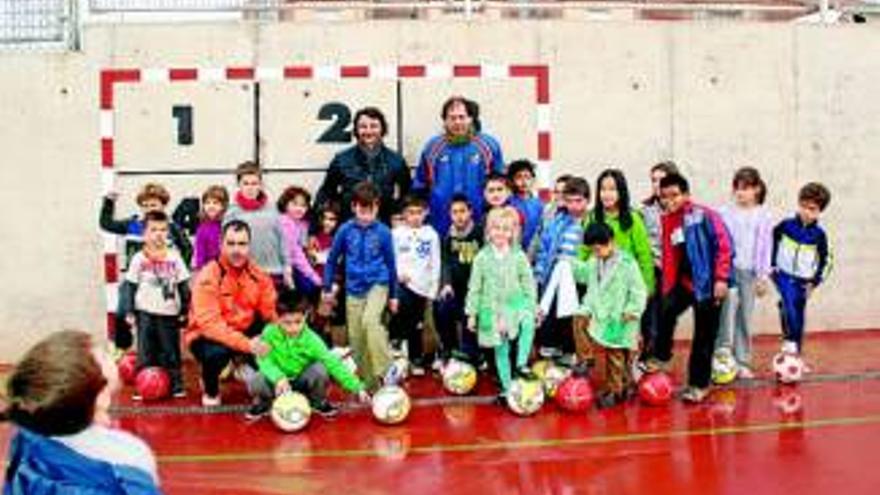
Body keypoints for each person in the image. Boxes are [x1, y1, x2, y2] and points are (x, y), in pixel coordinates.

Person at [2, 330, 160, 494]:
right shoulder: (130, 459)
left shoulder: (26, 438)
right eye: (105, 356)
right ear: (100, 398)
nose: (110, 356)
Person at [646, 173, 733, 403]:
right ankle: (662, 355)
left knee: (703, 338)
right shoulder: (668, 220)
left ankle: (699, 384)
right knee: (665, 310)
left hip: (709, 287)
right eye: (664, 197)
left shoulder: (705, 215)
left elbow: (725, 246)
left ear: (686, 194)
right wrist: (667, 287)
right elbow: (670, 257)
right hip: (684, 285)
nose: (670, 201)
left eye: (674, 195)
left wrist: (721, 279)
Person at [185, 220, 277, 407]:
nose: (237, 250)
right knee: (216, 354)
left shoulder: (260, 276)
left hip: (243, 331)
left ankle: (243, 365)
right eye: (231, 243)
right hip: (207, 336)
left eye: (242, 244)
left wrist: (279, 339)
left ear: (249, 246)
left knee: (275, 341)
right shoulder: (208, 276)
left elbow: (271, 315)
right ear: (221, 245)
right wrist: (248, 345)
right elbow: (211, 326)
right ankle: (210, 387)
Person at [322, 181, 399, 388]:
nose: (366, 215)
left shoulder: (384, 232)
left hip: (378, 284)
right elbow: (332, 260)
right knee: (356, 340)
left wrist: (394, 295)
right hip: (353, 289)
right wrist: (327, 288)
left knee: (370, 321)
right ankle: (371, 384)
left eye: (371, 209)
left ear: (377, 207)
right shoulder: (345, 231)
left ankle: (387, 368)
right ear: (354, 207)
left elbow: (391, 265)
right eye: (362, 209)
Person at [100, 182, 192, 354]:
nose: (149, 209)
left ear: (163, 206)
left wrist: (180, 270)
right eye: (146, 205)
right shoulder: (133, 225)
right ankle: (122, 348)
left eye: (154, 205)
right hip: (134, 281)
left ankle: (162, 358)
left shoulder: (170, 228)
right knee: (121, 313)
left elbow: (187, 248)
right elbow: (106, 224)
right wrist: (108, 202)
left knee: (159, 320)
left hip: (162, 283)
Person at [244, 295, 370, 421]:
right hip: (277, 384)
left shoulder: (312, 340)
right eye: (287, 323)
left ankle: (317, 401)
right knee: (256, 380)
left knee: (320, 369)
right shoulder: (269, 333)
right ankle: (264, 402)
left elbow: (333, 363)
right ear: (278, 319)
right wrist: (278, 377)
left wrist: (357, 387)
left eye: (298, 322)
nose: (293, 328)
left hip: (301, 380)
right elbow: (263, 360)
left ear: (306, 316)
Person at [466, 207, 538, 402]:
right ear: (489, 231)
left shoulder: (519, 256)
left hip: (516, 305)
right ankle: (507, 389)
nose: (501, 233)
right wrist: (472, 314)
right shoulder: (481, 257)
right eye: (496, 228)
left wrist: (532, 305)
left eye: (506, 229)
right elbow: (475, 287)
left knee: (528, 322)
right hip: (492, 309)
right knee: (501, 349)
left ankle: (522, 364)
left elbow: (528, 283)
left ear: (513, 232)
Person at [572, 223, 647, 408]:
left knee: (615, 355)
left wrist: (633, 309)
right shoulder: (594, 260)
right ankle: (586, 359)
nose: (596, 252)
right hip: (598, 311)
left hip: (619, 316)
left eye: (599, 248)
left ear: (611, 242)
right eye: (592, 249)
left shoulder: (627, 263)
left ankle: (616, 391)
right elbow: (583, 275)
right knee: (579, 319)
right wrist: (569, 264)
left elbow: (639, 289)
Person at [119, 211, 191, 399]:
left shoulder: (174, 257)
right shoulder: (138, 259)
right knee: (145, 351)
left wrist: (185, 309)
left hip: (168, 313)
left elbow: (183, 285)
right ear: (144, 234)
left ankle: (176, 384)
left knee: (171, 351)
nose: (158, 234)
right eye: (153, 230)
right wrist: (129, 310)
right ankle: (142, 385)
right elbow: (130, 286)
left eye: (163, 230)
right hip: (145, 313)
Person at [414, 96, 504, 235]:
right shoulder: (432, 147)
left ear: (471, 118)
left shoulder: (488, 146)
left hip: (479, 219)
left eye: (462, 117)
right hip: (441, 220)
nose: (457, 122)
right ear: (445, 121)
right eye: (452, 118)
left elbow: (501, 185)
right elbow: (420, 185)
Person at [715, 167, 774, 379]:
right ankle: (721, 356)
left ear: (756, 189)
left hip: (750, 272)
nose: (740, 193)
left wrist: (762, 276)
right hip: (729, 271)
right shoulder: (724, 213)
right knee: (725, 314)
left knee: (744, 317)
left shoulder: (764, 215)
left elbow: (766, 248)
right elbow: (719, 244)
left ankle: (742, 361)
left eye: (746, 188)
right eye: (737, 188)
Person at [314, 106, 411, 224]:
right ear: (356, 130)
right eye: (363, 127)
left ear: (382, 129)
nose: (368, 131)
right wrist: (315, 229)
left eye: (374, 126)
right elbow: (326, 193)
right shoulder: (341, 159)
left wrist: (397, 216)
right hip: (349, 227)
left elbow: (407, 194)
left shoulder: (396, 161)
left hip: (383, 226)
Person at [771, 182, 832, 360]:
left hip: (804, 280)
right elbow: (770, 242)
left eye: (812, 209)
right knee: (790, 301)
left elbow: (827, 260)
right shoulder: (786, 225)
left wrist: (815, 282)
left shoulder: (819, 235)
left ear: (820, 211)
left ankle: (795, 356)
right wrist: (771, 264)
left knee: (798, 312)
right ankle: (790, 344)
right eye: (803, 206)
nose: (806, 211)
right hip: (782, 274)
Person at [533, 177, 591, 365]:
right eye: (570, 201)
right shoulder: (557, 222)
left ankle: (569, 350)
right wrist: (539, 275)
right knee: (549, 309)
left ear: (587, 200)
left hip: (579, 278)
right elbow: (544, 249)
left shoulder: (590, 223)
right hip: (554, 274)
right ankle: (550, 347)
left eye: (578, 201)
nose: (574, 206)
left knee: (571, 315)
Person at [390, 194, 441, 375]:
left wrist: (433, 288)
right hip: (403, 285)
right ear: (404, 214)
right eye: (410, 213)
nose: (415, 216)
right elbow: (391, 259)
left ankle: (416, 358)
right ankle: (398, 353)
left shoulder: (431, 235)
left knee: (418, 324)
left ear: (425, 213)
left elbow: (435, 262)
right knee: (404, 317)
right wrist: (397, 275)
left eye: (419, 212)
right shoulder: (396, 234)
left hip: (423, 287)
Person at [584, 169, 655, 295]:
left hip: (625, 285)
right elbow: (583, 250)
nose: (606, 194)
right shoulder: (592, 217)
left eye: (612, 189)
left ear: (621, 192)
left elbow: (644, 255)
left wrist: (647, 287)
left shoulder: (633, 219)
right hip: (598, 284)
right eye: (603, 189)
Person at [224, 161, 292, 292]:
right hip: (244, 274)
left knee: (271, 311)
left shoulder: (273, 209)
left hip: (273, 272)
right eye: (246, 183)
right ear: (239, 185)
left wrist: (287, 266)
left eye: (254, 183)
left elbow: (282, 240)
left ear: (261, 185)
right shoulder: (232, 213)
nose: (250, 188)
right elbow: (225, 246)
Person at [435, 194, 484, 365]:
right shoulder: (447, 237)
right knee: (441, 307)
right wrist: (446, 284)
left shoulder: (479, 233)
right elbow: (445, 262)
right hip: (455, 288)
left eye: (463, 211)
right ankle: (448, 349)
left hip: (475, 290)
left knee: (468, 317)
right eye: (454, 212)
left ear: (470, 212)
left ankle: (471, 353)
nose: (459, 216)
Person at [639, 161, 679, 361]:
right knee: (650, 318)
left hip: (675, 273)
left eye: (661, 180)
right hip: (653, 270)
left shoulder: (683, 211)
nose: (656, 184)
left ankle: (660, 355)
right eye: (653, 180)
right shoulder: (644, 210)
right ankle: (649, 354)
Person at [277, 185, 323, 299]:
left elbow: (304, 245)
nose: (299, 208)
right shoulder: (285, 222)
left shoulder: (302, 223)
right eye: (294, 204)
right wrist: (314, 277)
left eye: (303, 205)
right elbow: (296, 254)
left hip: (299, 263)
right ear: (285, 204)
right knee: (309, 286)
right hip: (286, 264)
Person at [507, 159, 545, 250]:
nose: (523, 181)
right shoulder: (509, 203)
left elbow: (541, 229)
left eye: (527, 177)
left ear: (533, 179)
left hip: (534, 249)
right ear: (512, 181)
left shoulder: (539, 204)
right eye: (519, 177)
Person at [193, 185, 229, 272]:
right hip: (210, 270)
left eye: (215, 203)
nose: (211, 206)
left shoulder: (227, 224)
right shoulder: (202, 229)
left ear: (223, 206)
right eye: (207, 203)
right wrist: (200, 270)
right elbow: (200, 254)